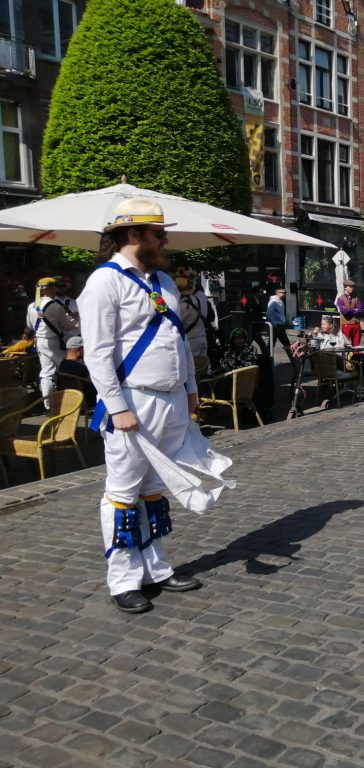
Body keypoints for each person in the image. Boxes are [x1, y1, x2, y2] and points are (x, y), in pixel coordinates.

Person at [78, 198, 202, 614]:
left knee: (153, 489)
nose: (165, 239)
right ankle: (123, 579)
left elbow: (178, 341)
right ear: (134, 235)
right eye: (159, 233)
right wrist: (116, 407)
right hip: (133, 398)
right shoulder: (103, 282)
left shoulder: (163, 281)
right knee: (123, 493)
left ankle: (157, 568)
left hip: (168, 399)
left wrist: (190, 389)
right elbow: (96, 353)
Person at [27, 277, 78, 412]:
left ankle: (48, 405)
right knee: (64, 371)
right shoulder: (56, 306)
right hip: (55, 342)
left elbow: (30, 325)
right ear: (49, 289)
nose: (56, 289)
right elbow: (67, 325)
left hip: (41, 342)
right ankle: (69, 401)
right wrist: (74, 318)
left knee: (47, 373)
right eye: (54, 287)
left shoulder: (32, 306)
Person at [175, 267, 214, 358]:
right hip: (203, 338)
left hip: (190, 341)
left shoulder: (183, 305)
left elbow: (174, 324)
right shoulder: (202, 297)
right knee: (203, 367)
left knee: (192, 370)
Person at [58, 335, 97, 406]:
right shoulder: (79, 366)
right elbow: (95, 379)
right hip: (90, 400)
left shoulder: (62, 364)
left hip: (73, 402)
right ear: (78, 349)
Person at [336, 280, 364, 347]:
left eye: (353, 287)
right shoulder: (340, 299)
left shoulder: (356, 298)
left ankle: (356, 357)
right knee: (346, 345)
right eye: (350, 286)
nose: (352, 288)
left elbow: (360, 311)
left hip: (356, 324)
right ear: (345, 287)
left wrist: (350, 310)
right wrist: (355, 310)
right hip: (346, 324)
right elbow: (344, 312)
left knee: (356, 346)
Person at [265, 287, 292, 357]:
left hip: (280, 326)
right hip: (276, 326)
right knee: (275, 344)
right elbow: (268, 314)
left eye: (285, 293)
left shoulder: (281, 301)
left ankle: (293, 360)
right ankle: (267, 361)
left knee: (284, 343)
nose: (285, 294)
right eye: (283, 293)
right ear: (277, 293)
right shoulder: (273, 302)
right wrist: (274, 324)